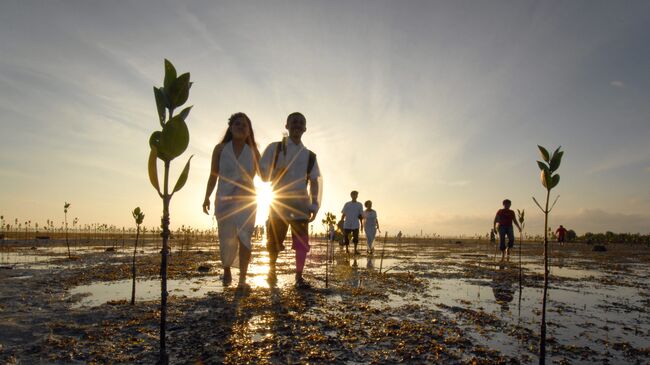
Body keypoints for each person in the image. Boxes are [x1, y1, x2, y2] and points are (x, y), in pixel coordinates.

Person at [260, 112, 322, 289]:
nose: (297, 125)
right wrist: (276, 173)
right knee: (274, 239)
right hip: (278, 201)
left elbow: (315, 181)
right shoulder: (276, 148)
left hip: (301, 204)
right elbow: (263, 173)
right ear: (286, 125)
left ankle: (299, 277)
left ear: (305, 129)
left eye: (300, 122)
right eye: (293, 121)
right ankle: (271, 271)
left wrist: (314, 204)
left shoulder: (310, 156)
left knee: (301, 243)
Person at [202, 113, 260, 288]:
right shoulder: (220, 149)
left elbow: (265, 176)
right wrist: (206, 196)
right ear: (230, 127)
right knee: (226, 237)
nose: (241, 127)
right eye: (237, 123)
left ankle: (242, 278)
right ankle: (226, 268)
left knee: (245, 238)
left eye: (245, 125)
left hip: (247, 200)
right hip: (224, 199)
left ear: (249, 131)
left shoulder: (254, 152)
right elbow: (213, 175)